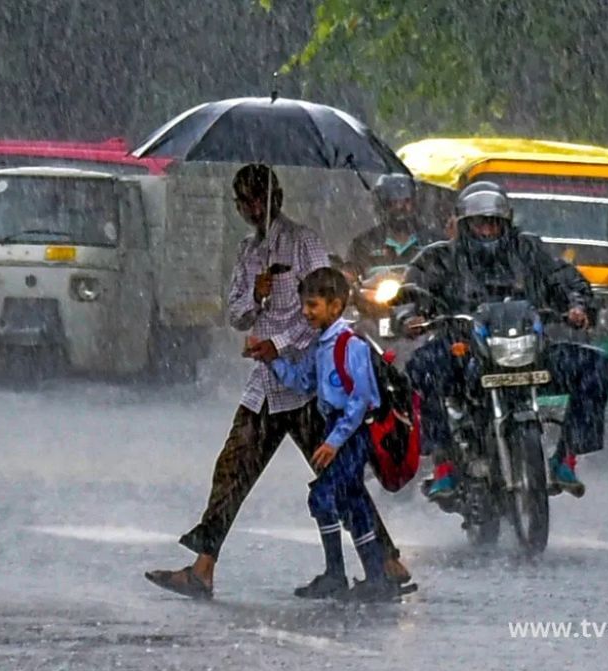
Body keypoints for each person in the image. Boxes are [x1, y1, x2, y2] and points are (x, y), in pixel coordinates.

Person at [144, 164, 410, 600]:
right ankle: (203, 567)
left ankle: (386, 560)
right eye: (244, 201)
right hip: (266, 386)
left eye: (259, 198)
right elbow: (235, 314)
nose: (253, 208)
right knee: (232, 473)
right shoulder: (249, 253)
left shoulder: (304, 242)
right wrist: (258, 294)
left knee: (338, 478)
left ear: (276, 196)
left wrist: (281, 343)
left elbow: (327, 310)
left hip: (308, 386)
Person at [400, 181, 608, 501]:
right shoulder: (439, 257)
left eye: (494, 222)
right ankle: (443, 461)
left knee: (597, 365)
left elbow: (567, 279)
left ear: (507, 222)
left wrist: (577, 306)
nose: (487, 230)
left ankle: (566, 458)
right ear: (463, 224)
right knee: (421, 368)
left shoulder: (529, 249)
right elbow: (411, 293)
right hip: (463, 351)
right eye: (480, 223)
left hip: (529, 350)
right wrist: (411, 317)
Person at [261, 267, 416, 602]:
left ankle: (337, 573)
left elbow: (360, 400)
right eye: (304, 304)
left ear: (335, 306)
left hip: (352, 434)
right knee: (352, 502)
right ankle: (374, 576)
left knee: (323, 497)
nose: (306, 312)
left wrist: (334, 442)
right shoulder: (321, 345)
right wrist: (272, 360)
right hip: (335, 428)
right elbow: (303, 383)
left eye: (312, 305)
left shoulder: (351, 345)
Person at [344, 174, 452, 274]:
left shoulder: (434, 241)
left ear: (414, 203)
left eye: (406, 201)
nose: (400, 207)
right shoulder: (364, 244)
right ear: (383, 206)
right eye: (393, 202)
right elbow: (351, 278)